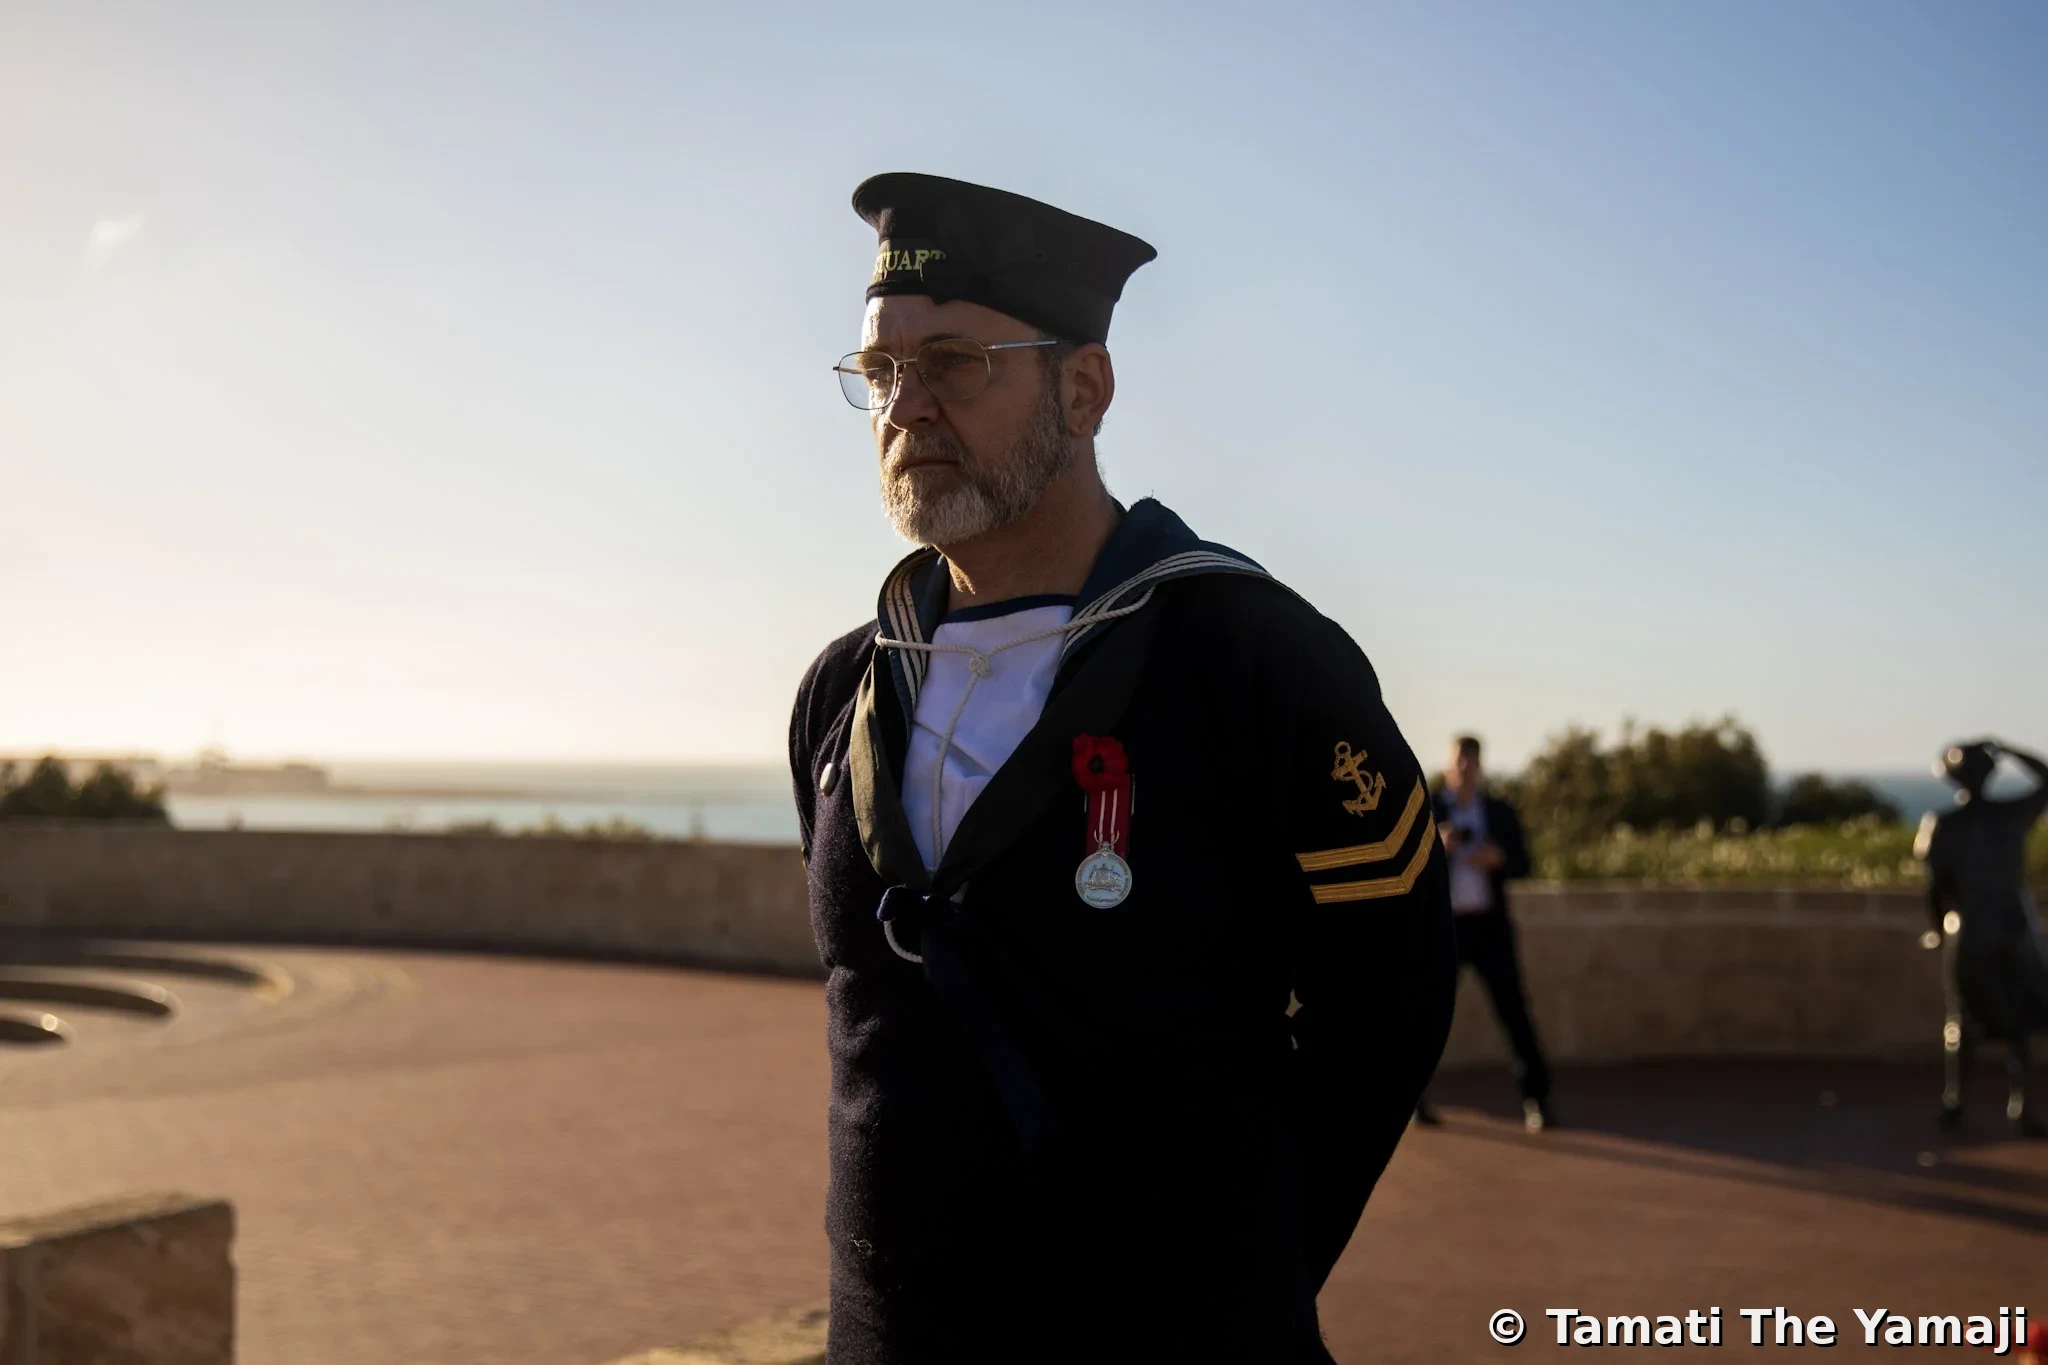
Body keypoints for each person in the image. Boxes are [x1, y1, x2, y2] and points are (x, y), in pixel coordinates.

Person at [787, 173, 1456, 1364]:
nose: (906, 407)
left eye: (952, 363)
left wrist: (1238, 1278)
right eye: (880, 372)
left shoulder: (1252, 658)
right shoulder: (842, 691)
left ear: (1082, 387)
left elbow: (1387, 1006)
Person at [1413, 735, 1555, 1132]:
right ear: (1447, 765)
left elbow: (1525, 863)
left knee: (1515, 1014)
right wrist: (1436, 850)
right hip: (1446, 931)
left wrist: (1499, 858)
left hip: (1491, 931)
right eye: (1459, 761)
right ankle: (1414, 1101)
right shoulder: (1425, 808)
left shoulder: (1500, 812)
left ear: (1480, 766)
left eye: (1471, 761)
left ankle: (1537, 1100)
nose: (1464, 768)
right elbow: (1403, 868)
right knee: (1428, 1015)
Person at [1918, 738, 2048, 1136]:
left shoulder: (1941, 824)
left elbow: (1936, 889)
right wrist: (2005, 748)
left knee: (1961, 1022)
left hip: (1968, 932)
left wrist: (1939, 929)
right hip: (2012, 931)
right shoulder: (2011, 815)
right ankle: (2020, 1109)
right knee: (2020, 1026)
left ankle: (1955, 1103)